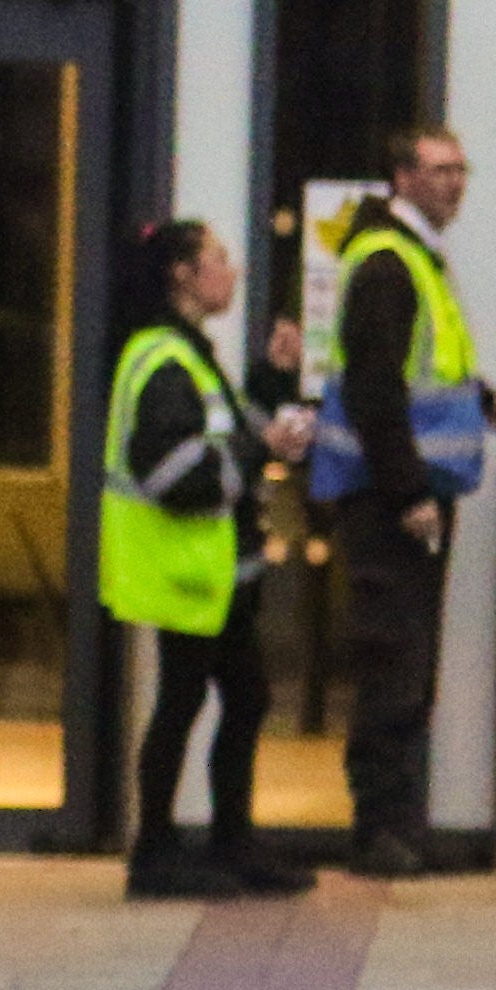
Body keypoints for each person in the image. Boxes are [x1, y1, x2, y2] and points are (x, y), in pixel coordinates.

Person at [308, 127, 496, 882]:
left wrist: (486, 400)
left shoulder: (415, 258)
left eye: (461, 171)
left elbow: (430, 367)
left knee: (409, 664)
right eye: (439, 171)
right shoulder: (388, 264)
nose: (454, 185)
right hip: (388, 499)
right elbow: (375, 389)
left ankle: (400, 826)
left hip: (409, 493)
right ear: (400, 176)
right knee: (393, 663)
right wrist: (408, 492)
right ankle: (380, 832)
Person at [99, 219, 319, 901]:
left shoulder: (186, 351)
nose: (235, 271)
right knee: (186, 700)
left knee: (239, 697)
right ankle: (158, 852)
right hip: (185, 570)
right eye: (219, 260)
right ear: (183, 275)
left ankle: (227, 841)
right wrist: (267, 447)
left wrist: (272, 377)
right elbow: (176, 472)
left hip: (209, 571)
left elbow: (225, 429)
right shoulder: (165, 359)